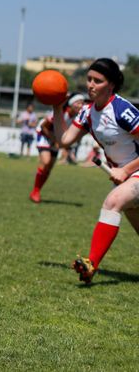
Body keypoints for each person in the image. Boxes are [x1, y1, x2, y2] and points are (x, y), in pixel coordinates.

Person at [52, 58, 139, 284]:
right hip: (125, 179)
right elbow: (63, 141)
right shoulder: (87, 112)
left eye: (97, 81)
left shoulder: (123, 110)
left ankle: (90, 265)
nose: (90, 84)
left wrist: (126, 170)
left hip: (133, 173)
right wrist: (56, 106)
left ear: (111, 85)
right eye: (89, 79)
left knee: (112, 203)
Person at [29, 94, 85, 203]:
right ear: (70, 104)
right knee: (46, 161)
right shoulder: (61, 113)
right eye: (78, 103)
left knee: (49, 167)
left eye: (82, 103)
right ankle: (35, 191)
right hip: (45, 135)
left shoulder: (77, 117)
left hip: (56, 139)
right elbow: (43, 126)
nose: (81, 105)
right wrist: (55, 140)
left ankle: (37, 191)